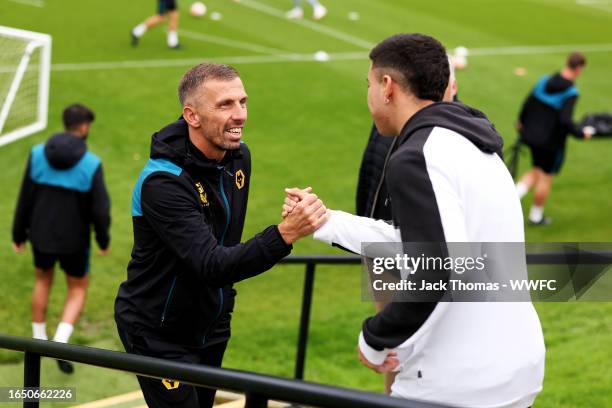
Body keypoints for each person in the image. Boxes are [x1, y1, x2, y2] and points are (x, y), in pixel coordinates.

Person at [285, 34, 545, 407]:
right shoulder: (471, 141)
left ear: (387, 86)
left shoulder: (417, 155)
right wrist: (326, 223)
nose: (370, 95)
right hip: (514, 365)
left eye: (370, 84)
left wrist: (375, 337)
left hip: (457, 379)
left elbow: (436, 269)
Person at [114, 63, 327, 408]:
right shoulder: (163, 183)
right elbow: (212, 264)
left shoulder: (239, 157)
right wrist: (285, 234)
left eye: (243, 102)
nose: (240, 114)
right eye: (225, 104)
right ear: (192, 116)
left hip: (210, 324)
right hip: (158, 331)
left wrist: (222, 306)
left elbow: (224, 242)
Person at [12, 104, 111, 374]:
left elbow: (25, 198)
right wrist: (103, 240)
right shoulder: (91, 164)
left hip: (41, 236)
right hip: (75, 242)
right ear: (82, 127)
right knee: (77, 289)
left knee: (42, 280)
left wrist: (18, 233)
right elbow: (100, 210)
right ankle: (60, 342)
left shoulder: (36, 155)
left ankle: (39, 337)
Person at [515, 52, 593, 225]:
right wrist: (581, 133)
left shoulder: (544, 80)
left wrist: (521, 121)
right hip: (551, 143)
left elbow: (528, 102)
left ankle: (511, 198)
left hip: (532, 136)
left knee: (536, 170)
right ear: (579, 68)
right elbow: (565, 121)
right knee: (545, 177)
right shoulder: (571, 92)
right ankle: (536, 217)